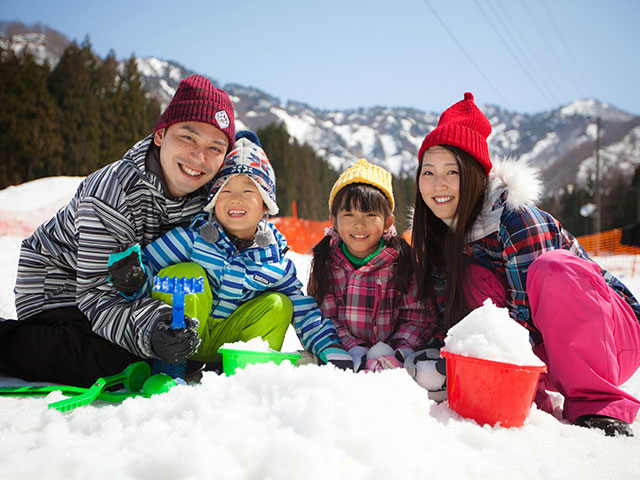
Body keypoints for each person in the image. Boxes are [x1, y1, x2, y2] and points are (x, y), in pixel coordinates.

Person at [411, 92, 640, 436]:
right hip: (549, 353)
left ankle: (597, 404)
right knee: (471, 275)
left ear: (474, 175)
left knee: (554, 269)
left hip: (609, 338)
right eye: (428, 171)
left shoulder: (516, 218)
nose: (438, 184)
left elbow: (532, 315)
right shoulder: (441, 237)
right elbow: (449, 315)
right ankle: (530, 400)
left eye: (451, 172)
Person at [0, 74, 236, 387]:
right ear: (160, 135)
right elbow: (97, 294)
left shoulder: (210, 197)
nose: (199, 157)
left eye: (215, 148)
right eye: (188, 138)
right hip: (61, 291)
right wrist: (152, 329)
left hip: (134, 293)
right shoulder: (113, 193)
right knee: (115, 360)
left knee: (171, 351)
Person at [108, 131, 341, 366]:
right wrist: (134, 280)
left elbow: (304, 311)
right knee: (185, 274)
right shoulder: (190, 239)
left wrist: (329, 348)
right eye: (225, 191)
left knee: (280, 304)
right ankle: (169, 364)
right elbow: (151, 275)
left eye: (248, 191)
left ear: (265, 206)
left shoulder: (274, 261)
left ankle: (245, 370)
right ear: (213, 202)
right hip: (180, 338)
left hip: (231, 345)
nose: (235, 199)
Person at [308, 159, 437, 373]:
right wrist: (353, 350)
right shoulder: (326, 263)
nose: (359, 224)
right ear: (334, 221)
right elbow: (324, 317)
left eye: (370, 214)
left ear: (387, 222)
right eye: (349, 214)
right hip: (344, 357)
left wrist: (397, 353)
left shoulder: (402, 262)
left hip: (394, 361)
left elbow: (418, 317)